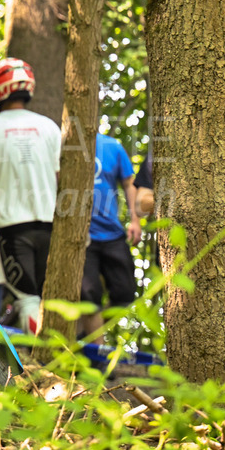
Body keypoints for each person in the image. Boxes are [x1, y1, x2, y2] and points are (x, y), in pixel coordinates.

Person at [0, 58, 61, 334]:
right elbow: (61, 180)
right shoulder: (50, 127)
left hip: (13, 229)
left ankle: (41, 358)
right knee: (49, 298)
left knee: (27, 299)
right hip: (51, 225)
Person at [80, 131, 142, 343]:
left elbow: (129, 183)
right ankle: (98, 351)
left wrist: (135, 220)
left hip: (112, 234)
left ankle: (88, 334)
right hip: (82, 237)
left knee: (126, 294)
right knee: (88, 296)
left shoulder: (113, 146)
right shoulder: (64, 144)